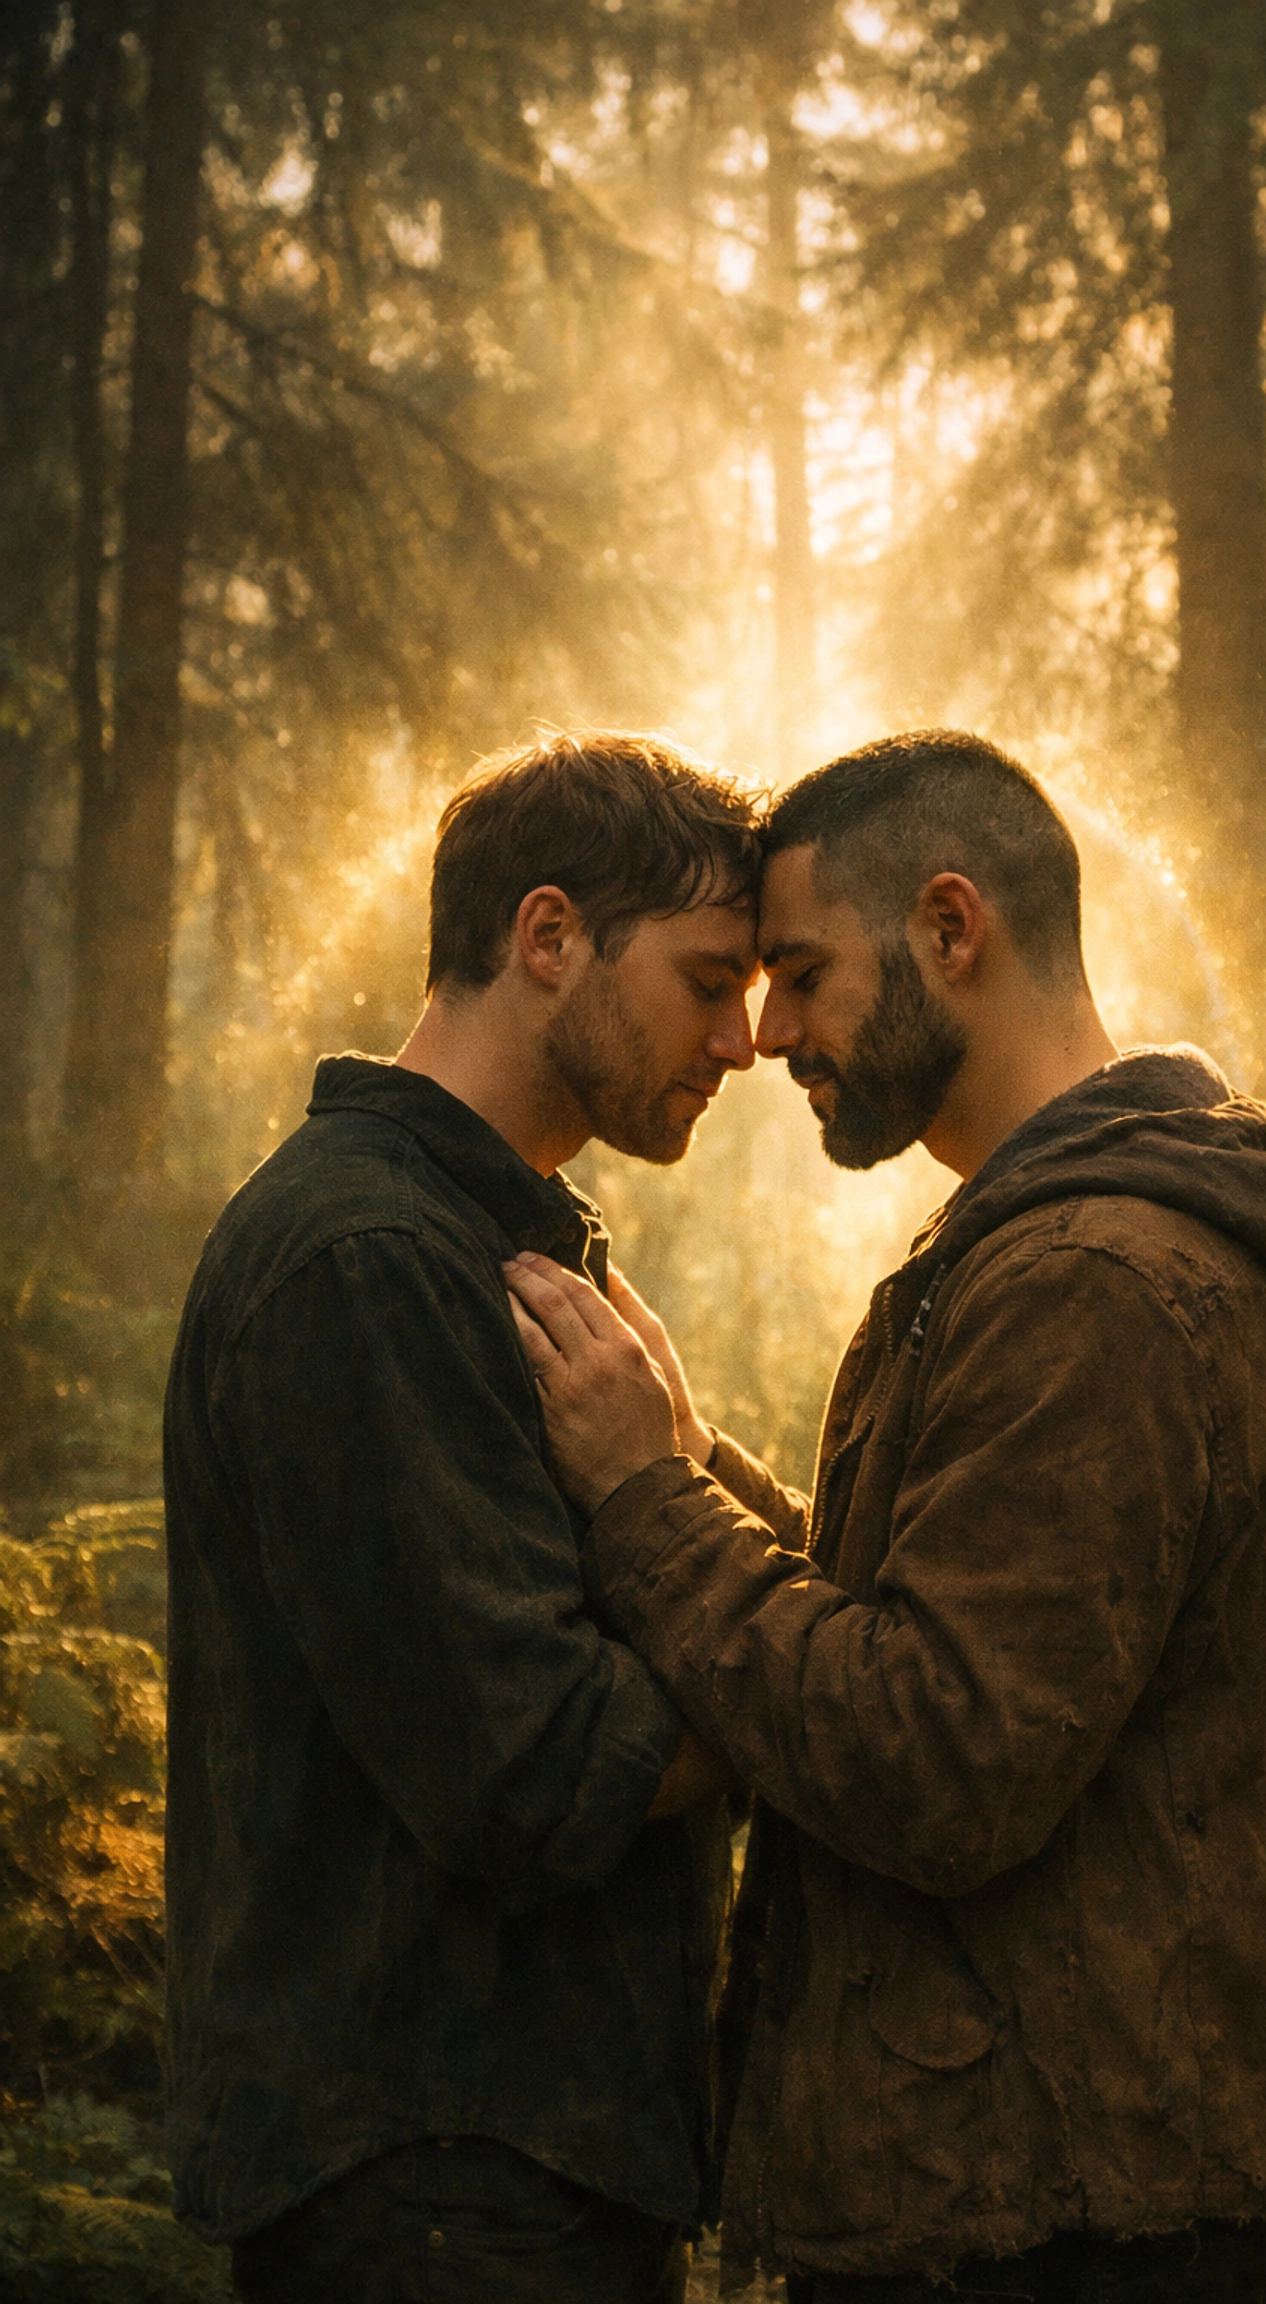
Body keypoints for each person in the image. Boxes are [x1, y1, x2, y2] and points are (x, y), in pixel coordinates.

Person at [506, 729, 1266, 2304]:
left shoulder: (1095, 1284)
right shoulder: (1058, 1248)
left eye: (801, 971)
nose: (769, 1032)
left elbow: (936, 1754)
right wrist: (695, 1465)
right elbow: (962, 1623)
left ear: (953, 930)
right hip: (1066, 2178)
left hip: (1070, 2210)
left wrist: (647, 1510)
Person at [162, 732, 759, 2303]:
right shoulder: (364, 1258)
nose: (746, 1039)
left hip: (514, 2171)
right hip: (434, 2186)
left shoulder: (493, 1250)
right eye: (709, 980)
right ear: (547, 936)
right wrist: (799, 1685)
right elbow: (538, 1768)